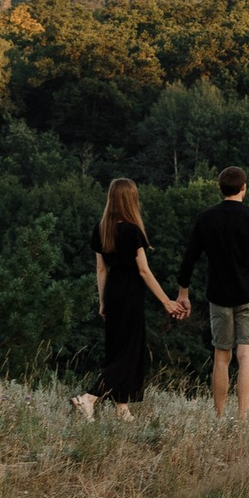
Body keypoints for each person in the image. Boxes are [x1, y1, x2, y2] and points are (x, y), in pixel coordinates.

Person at [74, 177, 188, 422]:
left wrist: (102, 301)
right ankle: (89, 397)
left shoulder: (101, 228)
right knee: (130, 352)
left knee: (117, 349)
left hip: (112, 292)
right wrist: (166, 301)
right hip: (130, 293)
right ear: (131, 200)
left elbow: (101, 270)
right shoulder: (133, 230)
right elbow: (144, 271)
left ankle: (122, 407)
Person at [173, 165, 249, 421]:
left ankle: (219, 416)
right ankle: (242, 419)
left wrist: (183, 293)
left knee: (221, 356)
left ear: (220, 188)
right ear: (244, 188)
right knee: (246, 356)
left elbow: (189, 258)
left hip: (218, 295)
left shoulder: (207, 218)